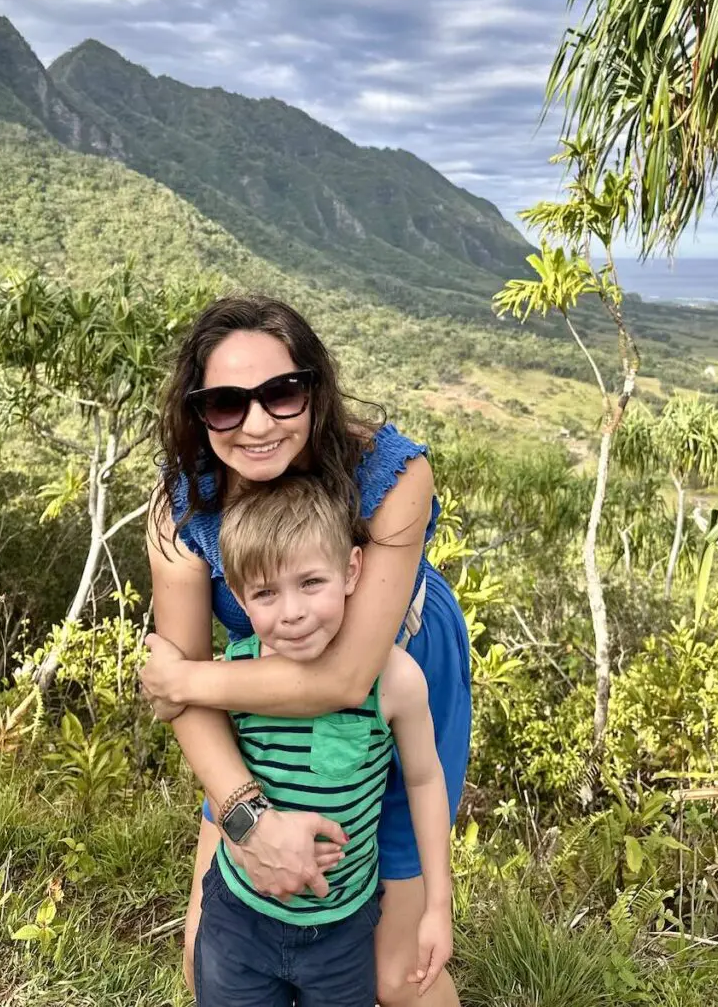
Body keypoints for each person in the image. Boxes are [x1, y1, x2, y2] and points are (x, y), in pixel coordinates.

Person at [142, 295, 472, 1006]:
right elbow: (188, 697)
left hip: (398, 665)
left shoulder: (391, 475)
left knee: (396, 976)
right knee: (206, 954)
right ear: (199, 413)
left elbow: (348, 677)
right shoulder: (185, 508)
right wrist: (246, 818)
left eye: (282, 393)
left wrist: (184, 680)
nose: (257, 423)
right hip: (261, 680)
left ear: (315, 389)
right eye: (226, 404)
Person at [192, 475, 452, 1006]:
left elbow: (426, 780)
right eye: (266, 592)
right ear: (240, 597)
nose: (292, 612)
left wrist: (438, 905)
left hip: (342, 929)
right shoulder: (230, 678)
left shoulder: (393, 679)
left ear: (352, 570)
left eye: (311, 582)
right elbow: (208, 760)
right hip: (240, 918)